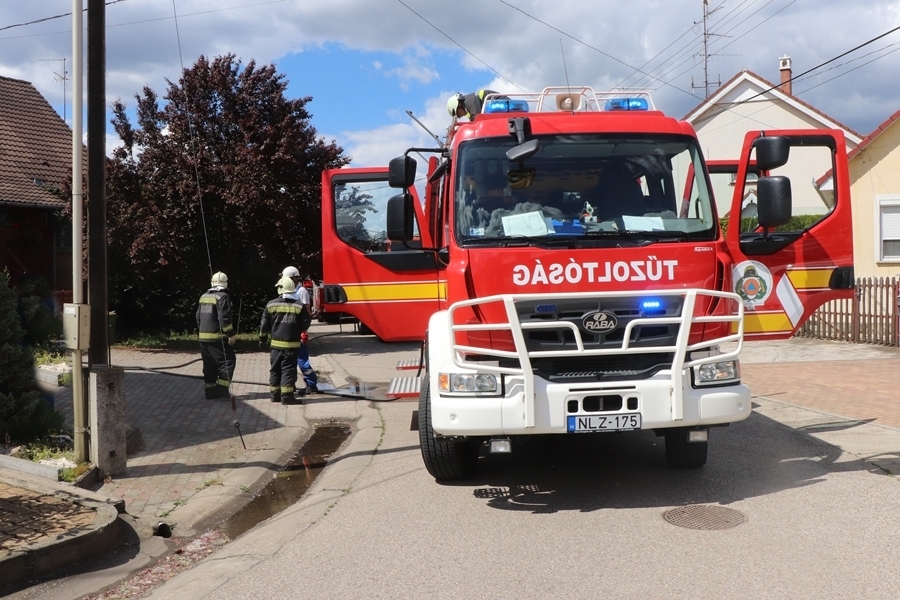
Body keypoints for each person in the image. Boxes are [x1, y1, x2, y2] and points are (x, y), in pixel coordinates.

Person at [259, 276, 309, 405]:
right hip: (291, 346)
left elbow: (264, 325)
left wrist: (262, 340)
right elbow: (305, 324)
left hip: (275, 346)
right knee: (288, 369)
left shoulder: (271, 304)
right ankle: (287, 397)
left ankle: (275, 395)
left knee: (275, 369)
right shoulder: (299, 306)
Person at [196, 271, 236, 399]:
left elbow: (198, 317)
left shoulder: (203, 296)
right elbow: (224, 317)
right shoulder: (223, 296)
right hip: (217, 337)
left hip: (203, 337)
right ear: (225, 283)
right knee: (228, 361)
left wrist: (202, 331)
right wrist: (230, 333)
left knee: (209, 364)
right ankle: (222, 390)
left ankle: (210, 391)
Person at [280, 266, 319, 394]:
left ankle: (312, 384)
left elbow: (306, 312)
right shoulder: (286, 290)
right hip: (289, 331)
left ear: (293, 278)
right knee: (289, 361)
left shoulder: (301, 291)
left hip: (298, 331)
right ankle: (290, 385)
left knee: (302, 362)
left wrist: (304, 330)